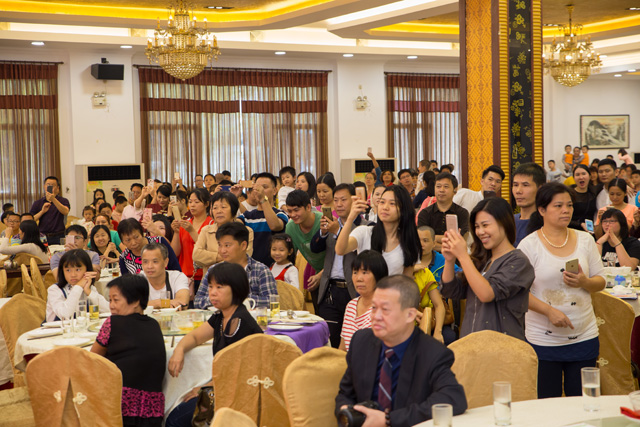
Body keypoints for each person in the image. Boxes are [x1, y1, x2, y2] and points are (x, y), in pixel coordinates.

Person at [335, 275, 467, 426]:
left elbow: (453, 398)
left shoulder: (432, 353)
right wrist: (345, 410)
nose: (376, 316)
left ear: (410, 315)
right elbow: (345, 394)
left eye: (385, 310)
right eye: (374, 308)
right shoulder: (361, 341)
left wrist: (389, 420)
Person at [518, 183, 605, 398]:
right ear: (542, 210)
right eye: (558, 206)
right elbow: (518, 293)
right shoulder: (529, 245)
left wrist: (584, 282)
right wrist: (549, 311)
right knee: (548, 404)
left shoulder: (585, 239)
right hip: (543, 340)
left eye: (569, 205)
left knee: (584, 402)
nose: (566, 210)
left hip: (584, 335)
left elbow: (601, 281)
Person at [166, 263, 263, 427]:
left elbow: (238, 371)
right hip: (224, 386)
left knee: (175, 420)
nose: (212, 292)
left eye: (219, 287)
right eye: (210, 286)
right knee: (177, 413)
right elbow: (195, 337)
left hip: (240, 391)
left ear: (236, 289)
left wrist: (204, 388)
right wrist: (179, 349)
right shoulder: (221, 316)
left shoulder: (239, 322)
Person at [441, 197, 535, 340]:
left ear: (504, 223)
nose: (480, 232)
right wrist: (449, 259)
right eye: (477, 227)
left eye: (485, 225)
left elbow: (487, 294)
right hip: (472, 343)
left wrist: (462, 256)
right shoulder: (482, 259)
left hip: (502, 345)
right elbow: (451, 290)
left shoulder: (518, 261)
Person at [91, 275, 166, 427]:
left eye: (116, 300)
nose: (111, 306)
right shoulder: (154, 324)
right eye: (110, 300)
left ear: (136, 301)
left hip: (119, 408)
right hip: (152, 412)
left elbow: (91, 359)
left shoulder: (112, 323)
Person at [310, 183, 373, 347]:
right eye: (336, 200)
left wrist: (338, 231)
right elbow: (315, 248)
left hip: (354, 289)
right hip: (330, 289)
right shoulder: (331, 223)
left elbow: (362, 255)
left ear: (354, 201)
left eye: (343, 200)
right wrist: (323, 233)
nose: (338, 204)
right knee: (329, 339)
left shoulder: (365, 227)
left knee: (352, 341)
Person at [337, 185, 420, 276]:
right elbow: (340, 250)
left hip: (394, 285)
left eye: (392, 203)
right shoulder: (364, 232)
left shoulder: (409, 241)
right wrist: (350, 218)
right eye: (382, 202)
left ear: (403, 209)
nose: (385, 207)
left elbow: (406, 278)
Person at [194, 222, 278, 309]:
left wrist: (239, 299)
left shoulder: (260, 270)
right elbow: (198, 301)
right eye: (219, 245)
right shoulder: (213, 270)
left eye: (227, 245)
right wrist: (220, 299)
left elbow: (272, 301)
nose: (222, 250)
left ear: (243, 245)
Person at [339, 250, 388, 352]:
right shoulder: (351, 305)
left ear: (378, 276)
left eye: (365, 272)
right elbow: (342, 349)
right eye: (355, 272)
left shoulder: (384, 309)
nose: (358, 278)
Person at [193, 192, 254, 272]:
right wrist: (224, 257)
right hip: (210, 278)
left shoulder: (246, 231)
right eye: (215, 208)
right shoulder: (206, 230)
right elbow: (196, 255)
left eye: (223, 207)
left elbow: (245, 257)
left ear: (233, 209)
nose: (219, 211)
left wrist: (209, 259)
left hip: (236, 276)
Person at [236, 172, 288, 266]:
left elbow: (274, 226)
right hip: (251, 269)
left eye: (264, 187)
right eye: (257, 187)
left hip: (274, 268)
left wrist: (263, 199)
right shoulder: (247, 216)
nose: (259, 191)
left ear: (275, 191)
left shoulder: (280, 214)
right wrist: (233, 198)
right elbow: (232, 227)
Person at [285, 190, 325, 309]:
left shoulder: (323, 221)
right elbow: (289, 257)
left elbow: (338, 255)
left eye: (296, 210)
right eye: (289, 211)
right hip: (317, 274)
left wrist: (321, 275)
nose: (293, 215)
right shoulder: (291, 227)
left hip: (334, 274)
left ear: (308, 207)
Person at [170, 188, 213, 295]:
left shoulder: (211, 224)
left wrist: (191, 231)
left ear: (206, 204)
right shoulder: (185, 223)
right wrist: (176, 232)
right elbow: (175, 253)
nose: (192, 205)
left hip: (205, 275)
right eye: (190, 202)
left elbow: (208, 249)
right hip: (185, 276)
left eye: (197, 202)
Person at [46, 249, 109, 322]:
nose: (73, 275)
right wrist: (78, 286)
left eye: (78, 270)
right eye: (68, 270)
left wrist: (89, 292)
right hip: (58, 328)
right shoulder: (55, 290)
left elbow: (108, 309)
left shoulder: (88, 287)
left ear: (87, 270)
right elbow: (65, 315)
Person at [417, 172, 470, 251]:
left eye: (446, 187)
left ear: (455, 190)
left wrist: (434, 238)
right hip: (432, 257)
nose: (441, 190)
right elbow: (423, 241)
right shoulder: (425, 213)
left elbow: (462, 240)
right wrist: (451, 241)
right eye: (438, 186)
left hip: (455, 257)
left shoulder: (462, 213)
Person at [140, 243, 190, 308]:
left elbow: (183, 303)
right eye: (145, 262)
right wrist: (159, 303)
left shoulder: (177, 277)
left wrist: (150, 304)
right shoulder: (137, 280)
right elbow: (132, 306)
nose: (150, 266)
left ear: (166, 262)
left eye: (155, 261)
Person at [512, 162, 546, 246]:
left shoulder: (547, 223)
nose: (518, 191)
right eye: (515, 185)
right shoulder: (509, 221)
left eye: (525, 185)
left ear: (540, 188)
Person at [29, 176, 70, 244]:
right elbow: (31, 219)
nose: (50, 187)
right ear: (44, 186)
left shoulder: (63, 201)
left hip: (59, 235)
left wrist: (53, 199)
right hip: (42, 236)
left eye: (53, 185)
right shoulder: (38, 202)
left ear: (57, 188)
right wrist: (42, 211)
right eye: (48, 185)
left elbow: (65, 212)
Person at [569, 164, 597, 231]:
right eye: (577, 175)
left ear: (589, 176)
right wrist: (580, 224)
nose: (581, 177)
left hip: (590, 232)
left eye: (584, 174)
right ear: (573, 178)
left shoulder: (594, 192)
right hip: (572, 230)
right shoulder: (568, 194)